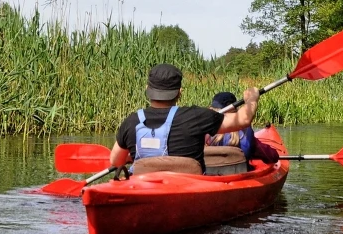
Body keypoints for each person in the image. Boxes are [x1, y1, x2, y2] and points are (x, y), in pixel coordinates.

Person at [109, 65, 261, 174]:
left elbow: (116, 162)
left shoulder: (131, 122)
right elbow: (244, 119)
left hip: (144, 187)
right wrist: (252, 99)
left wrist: (133, 156)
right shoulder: (197, 116)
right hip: (191, 188)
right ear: (179, 92)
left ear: (147, 89)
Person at [205, 91, 280, 164]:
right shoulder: (243, 136)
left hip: (207, 175)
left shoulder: (202, 134)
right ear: (235, 111)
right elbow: (273, 156)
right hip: (240, 174)